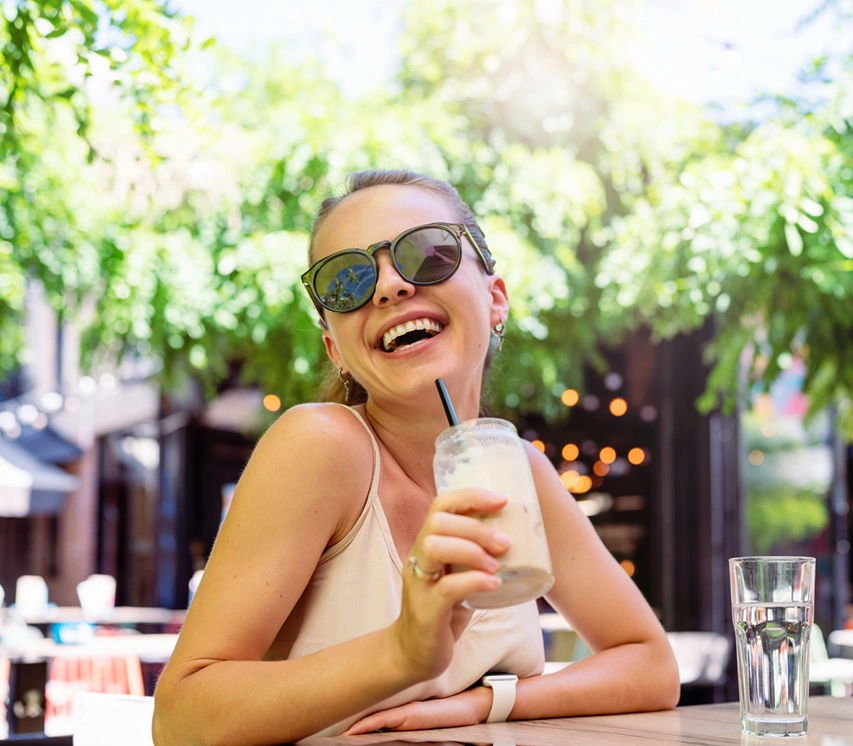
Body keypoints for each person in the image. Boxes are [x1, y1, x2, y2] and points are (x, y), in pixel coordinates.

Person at [152, 170, 681, 745]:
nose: (388, 287)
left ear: (494, 299)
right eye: (347, 279)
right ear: (337, 348)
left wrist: (485, 704)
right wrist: (402, 651)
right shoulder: (320, 445)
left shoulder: (518, 469)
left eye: (427, 254)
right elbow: (180, 719)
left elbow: (650, 665)